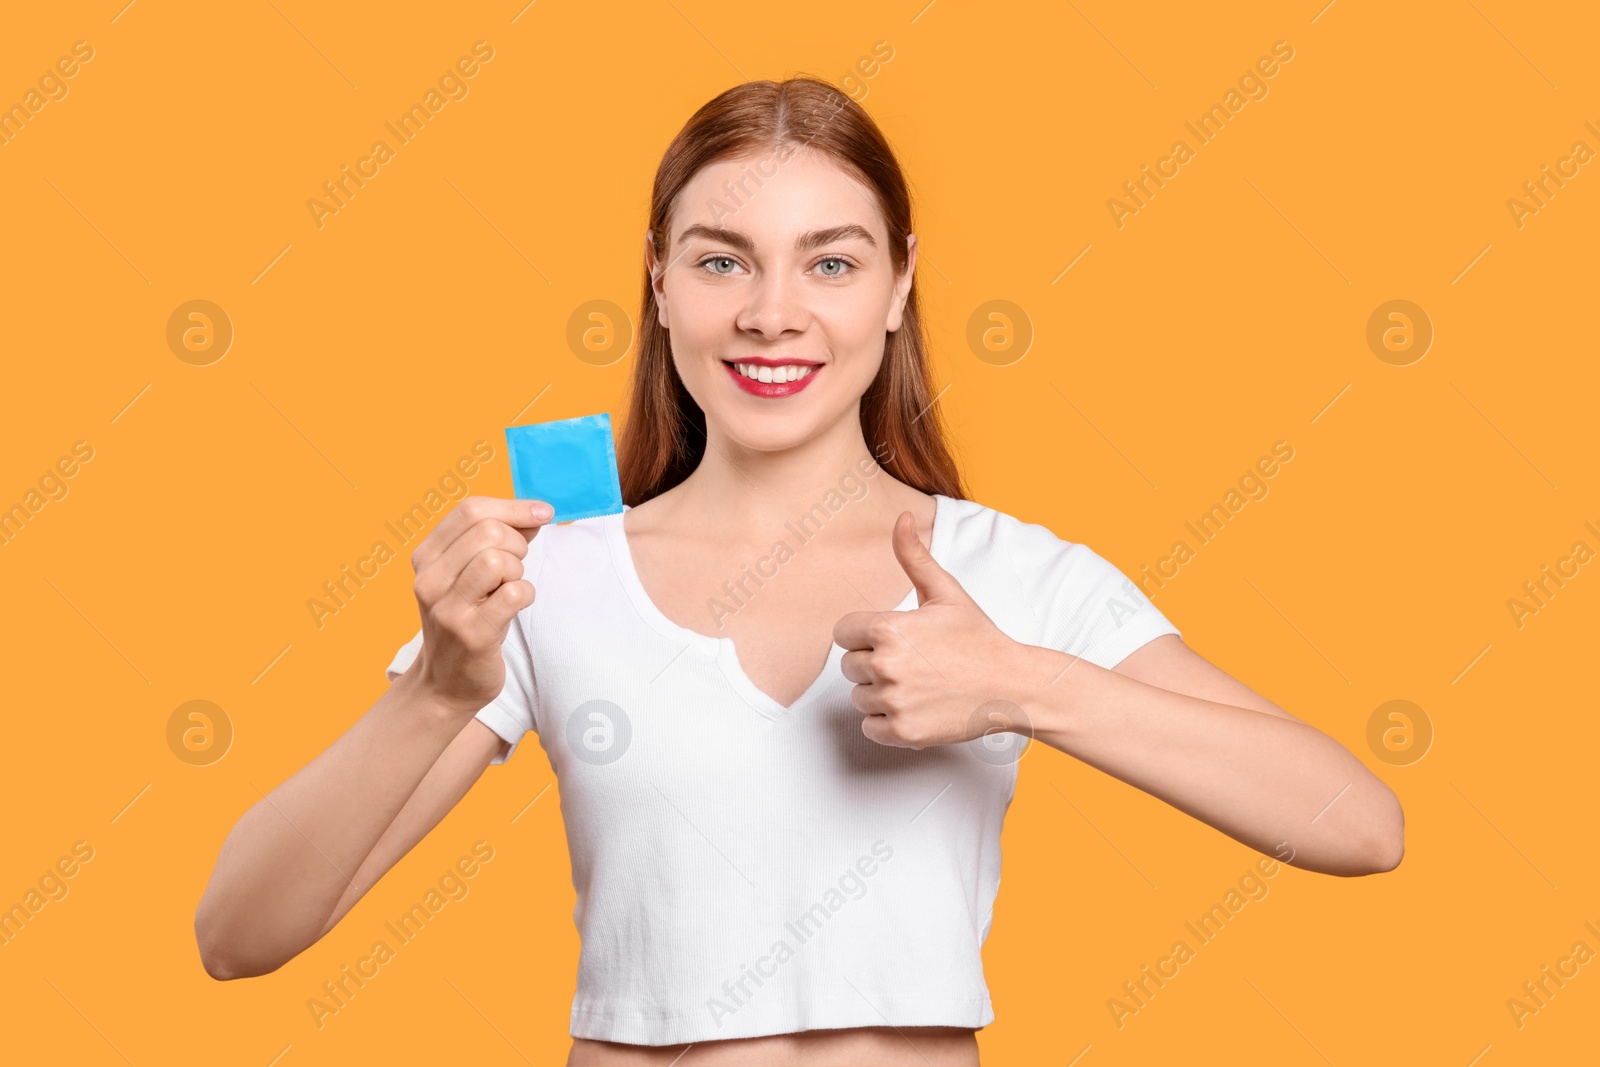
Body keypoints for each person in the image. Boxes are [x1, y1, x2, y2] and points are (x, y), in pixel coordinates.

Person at [194, 76, 1404, 1066]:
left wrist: (1024, 686)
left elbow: (1358, 822)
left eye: (830, 263)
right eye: (723, 262)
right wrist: (439, 690)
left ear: (898, 287)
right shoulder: (548, 578)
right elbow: (238, 933)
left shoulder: (1001, 576)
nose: (774, 311)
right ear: (659, 283)